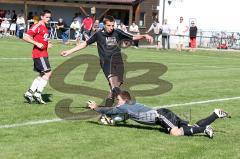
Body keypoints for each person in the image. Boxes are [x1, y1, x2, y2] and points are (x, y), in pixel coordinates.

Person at [60, 15, 153, 107]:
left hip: (119, 62)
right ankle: (128, 107)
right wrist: (69, 51)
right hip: (107, 63)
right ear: (103, 25)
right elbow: (85, 44)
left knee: (113, 90)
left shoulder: (117, 32)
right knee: (114, 88)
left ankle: (107, 113)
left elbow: (132, 37)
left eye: (112, 25)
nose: (111, 28)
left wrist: (144, 35)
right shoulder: (98, 34)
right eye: (109, 25)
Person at [88, 90, 231, 138]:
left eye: (117, 100)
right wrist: (112, 121)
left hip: (161, 116)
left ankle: (204, 129)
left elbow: (110, 111)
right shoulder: (128, 106)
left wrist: (95, 108)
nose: (116, 102)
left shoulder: (124, 107)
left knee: (175, 133)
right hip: (163, 113)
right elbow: (118, 116)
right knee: (187, 126)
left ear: (124, 100)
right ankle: (215, 114)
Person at [23, 10, 53, 104]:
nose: (48, 19)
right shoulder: (38, 25)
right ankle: (38, 94)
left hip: (43, 53)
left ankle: (29, 93)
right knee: (48, 73)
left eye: (49, 17)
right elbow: (25, 36)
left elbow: (42, 39)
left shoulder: (45, 27)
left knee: (42, 75)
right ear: (42, 17)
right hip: (39, 54)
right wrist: (36, 43)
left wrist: (47, 44)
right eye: (47, 17)